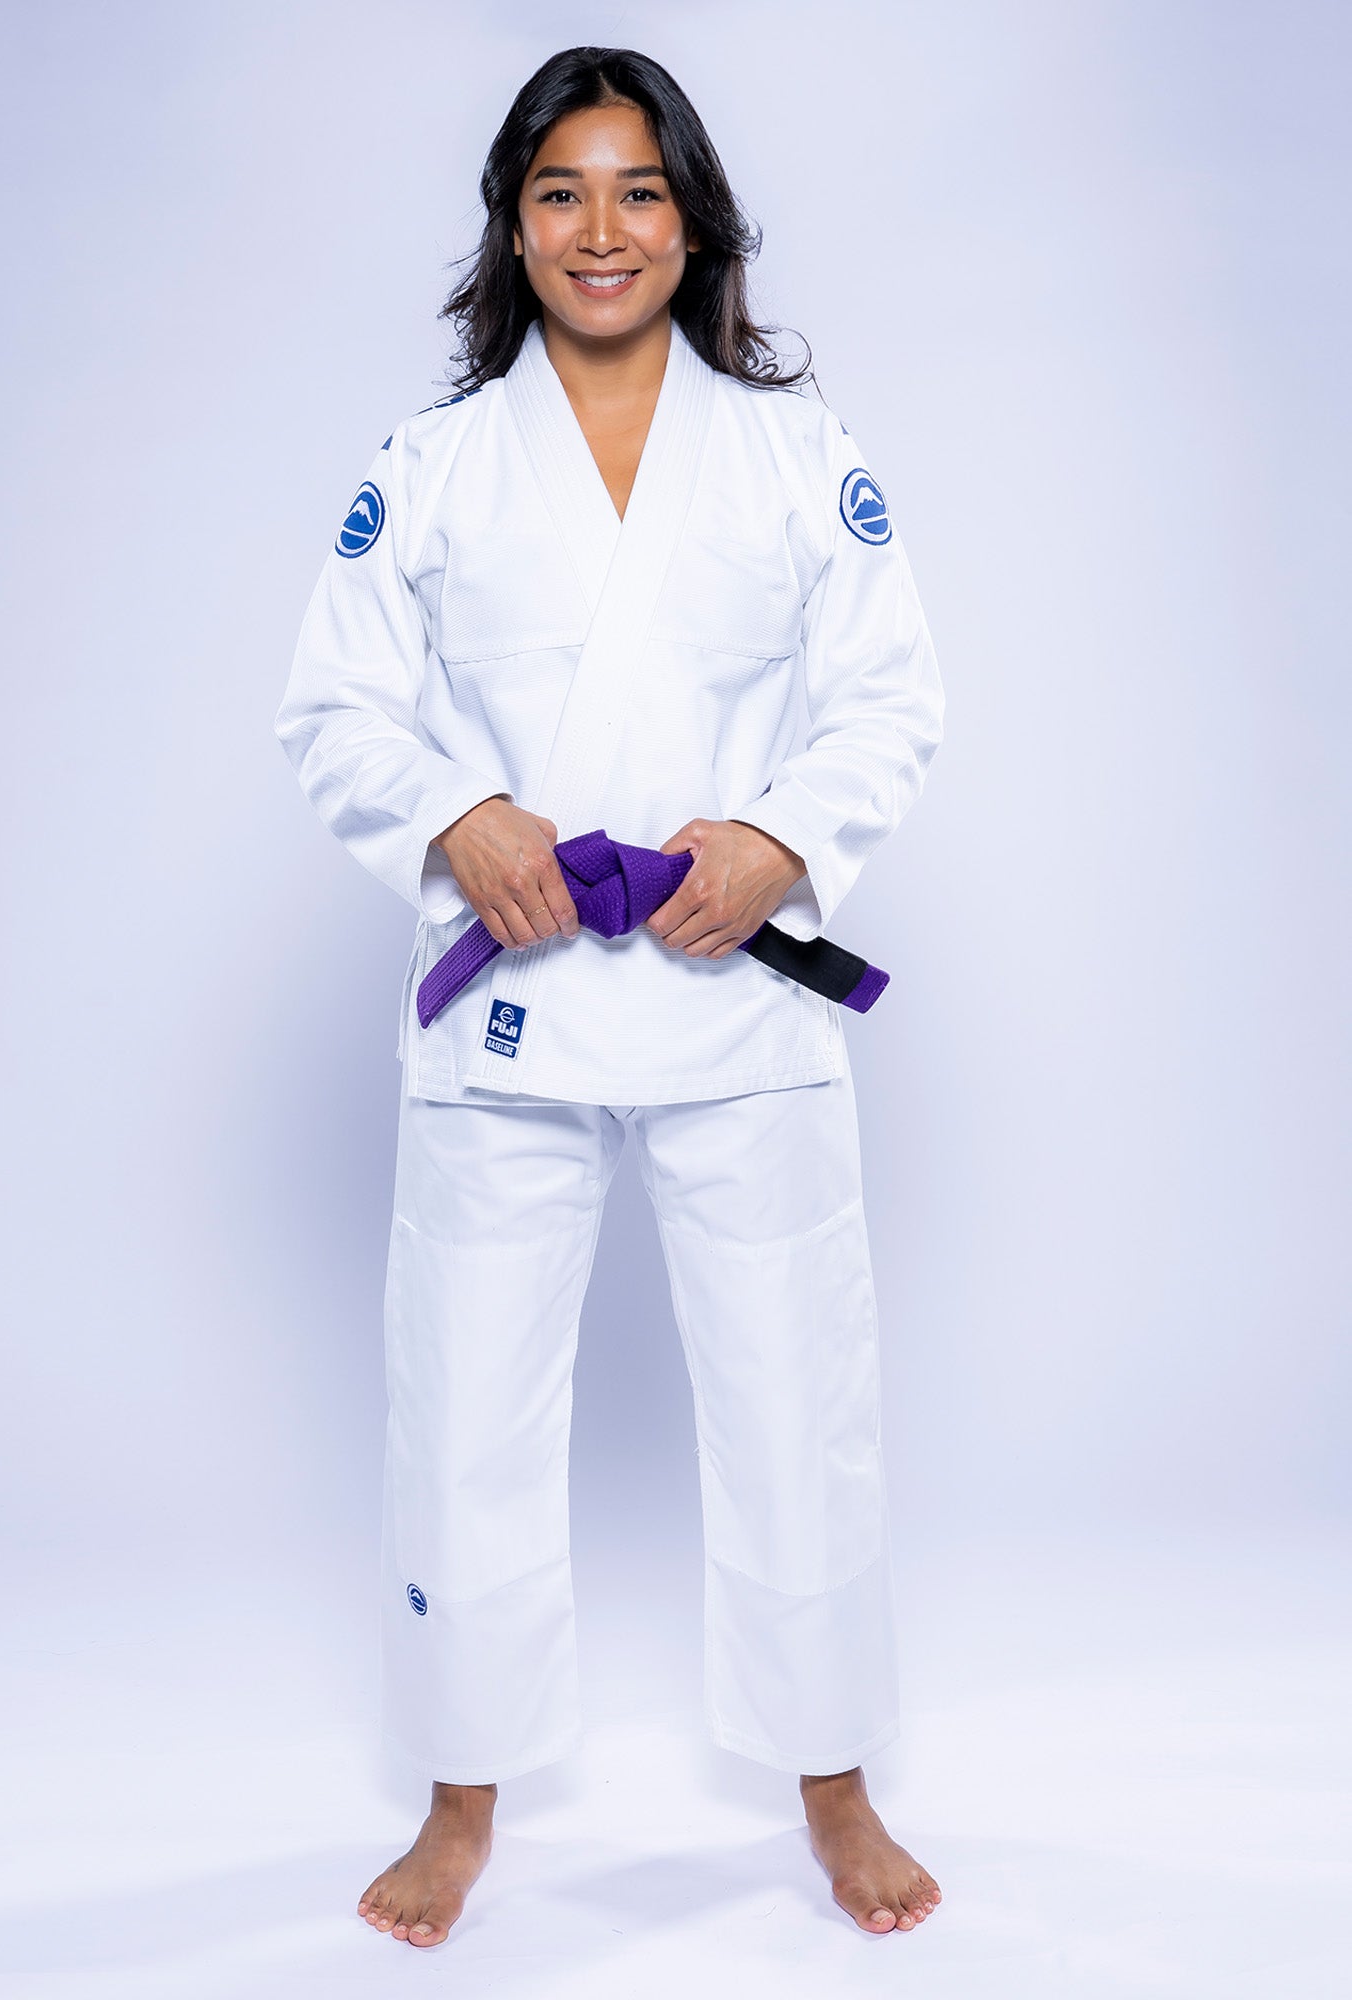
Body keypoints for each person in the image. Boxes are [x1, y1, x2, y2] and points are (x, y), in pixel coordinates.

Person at [274, 45, 945, 1949]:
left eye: (639, 190)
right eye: (562, 190)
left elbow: (893, 696)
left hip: (738, 998)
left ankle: (833, 1784)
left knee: (797, 1393)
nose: (601, 227)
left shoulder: (799, 456)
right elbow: (335, 705)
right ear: (513, 221)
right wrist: (456, 811)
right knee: (468, 1403)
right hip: (517, 1009)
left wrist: (782, 840)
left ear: (694, 218)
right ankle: (462, 1799)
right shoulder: (435, 463)